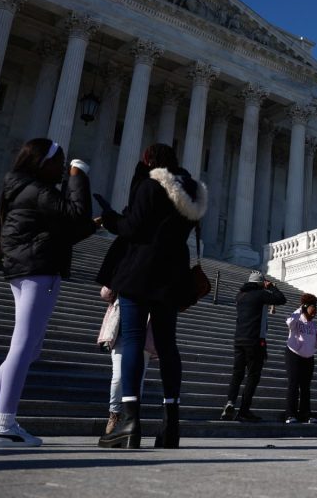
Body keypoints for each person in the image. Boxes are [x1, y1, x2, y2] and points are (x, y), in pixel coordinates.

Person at [0, 138, 93, 448]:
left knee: (28, 348)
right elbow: (76, 212)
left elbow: (66, 227)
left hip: (26, 267)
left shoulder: (23, 189)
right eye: (60, 161)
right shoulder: (38, 190)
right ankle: (4, 425)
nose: (62, 167)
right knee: (23, 346)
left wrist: (93, 225)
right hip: (38, 269)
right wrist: (78, 175)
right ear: (43, 163)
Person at [96, 144, 207, 449]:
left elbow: (133, 228)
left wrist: (109, 218)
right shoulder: (192, 194)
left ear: (148, 160)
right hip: (172, 275)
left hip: (141, 270)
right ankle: (170, 425)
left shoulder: (150, 185)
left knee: (132, 339)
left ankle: (130, 422)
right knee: (167, 344)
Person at [221, 271, 286, 422]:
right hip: (255, 340)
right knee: (253, 376)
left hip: (239, 339)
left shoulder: (240, 296)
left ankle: (230, 402)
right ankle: (244, 410)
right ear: (261, 283)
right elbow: (281, 299)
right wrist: (271, 287)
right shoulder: (260, 294)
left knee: (237, 374)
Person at [96, 285, 155, 436]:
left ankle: (131, 417)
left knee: (138, 380)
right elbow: (105, 294)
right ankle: (114, 413)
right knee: (118, 377)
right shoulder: (126, 270)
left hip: (143, 335)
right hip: (121, 334)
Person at [284, 294, 317, 423]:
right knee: (293, 384)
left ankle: (305, 414)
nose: (314, 312)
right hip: (294, 354)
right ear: (305, 307)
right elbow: (289, 322)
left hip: (308, 357)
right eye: (312, 308)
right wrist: (300, 309)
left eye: (316, 309)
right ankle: (290, 414)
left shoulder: (313, 325)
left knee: (305, 387)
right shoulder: (296, 320)